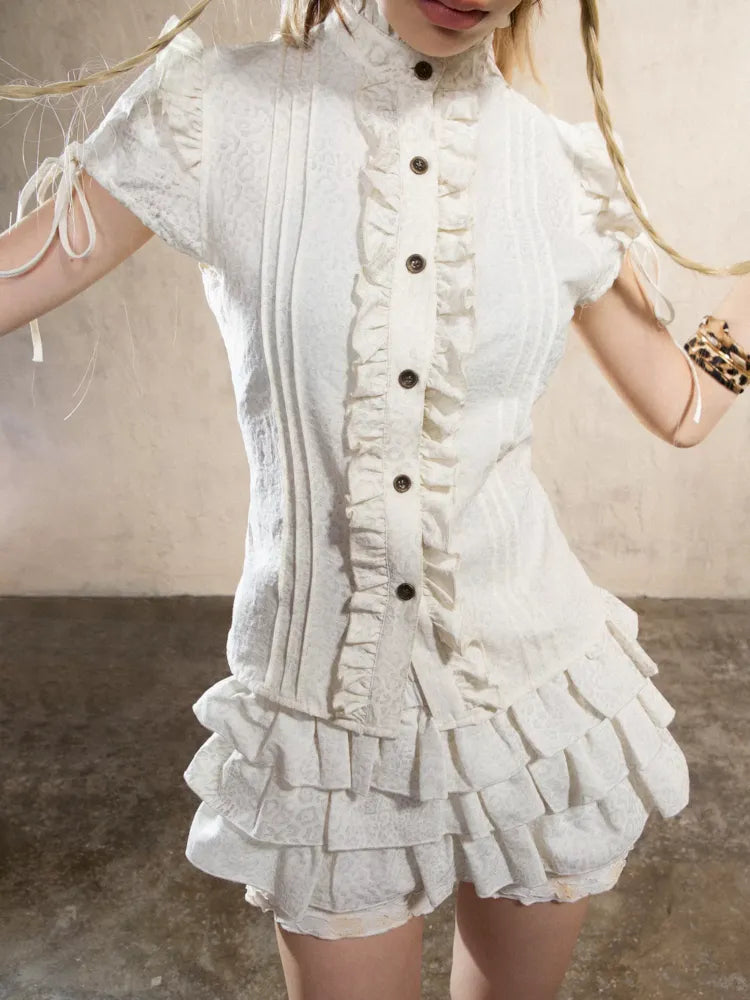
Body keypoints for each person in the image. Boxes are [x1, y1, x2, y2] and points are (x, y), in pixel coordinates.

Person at [2, 2, 749, 998]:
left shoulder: (557, 171)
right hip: (324, 739)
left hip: (540, 709)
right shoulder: (214, 113)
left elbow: (685, 406)